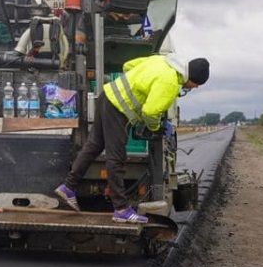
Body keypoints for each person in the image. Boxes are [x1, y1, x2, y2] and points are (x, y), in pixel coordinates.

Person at [54, 55, 209, 223]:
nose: (193, 88)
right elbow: (150, 112)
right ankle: (121, 209)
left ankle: (68, 187)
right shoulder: (171, 82)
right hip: (117, 108)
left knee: (94, 145)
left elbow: (128, 65)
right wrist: (155, 127)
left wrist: (138, 86)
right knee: (117, 157)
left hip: (107, 95)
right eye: (195, 85)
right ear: (193, 79)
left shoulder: (162, 61)